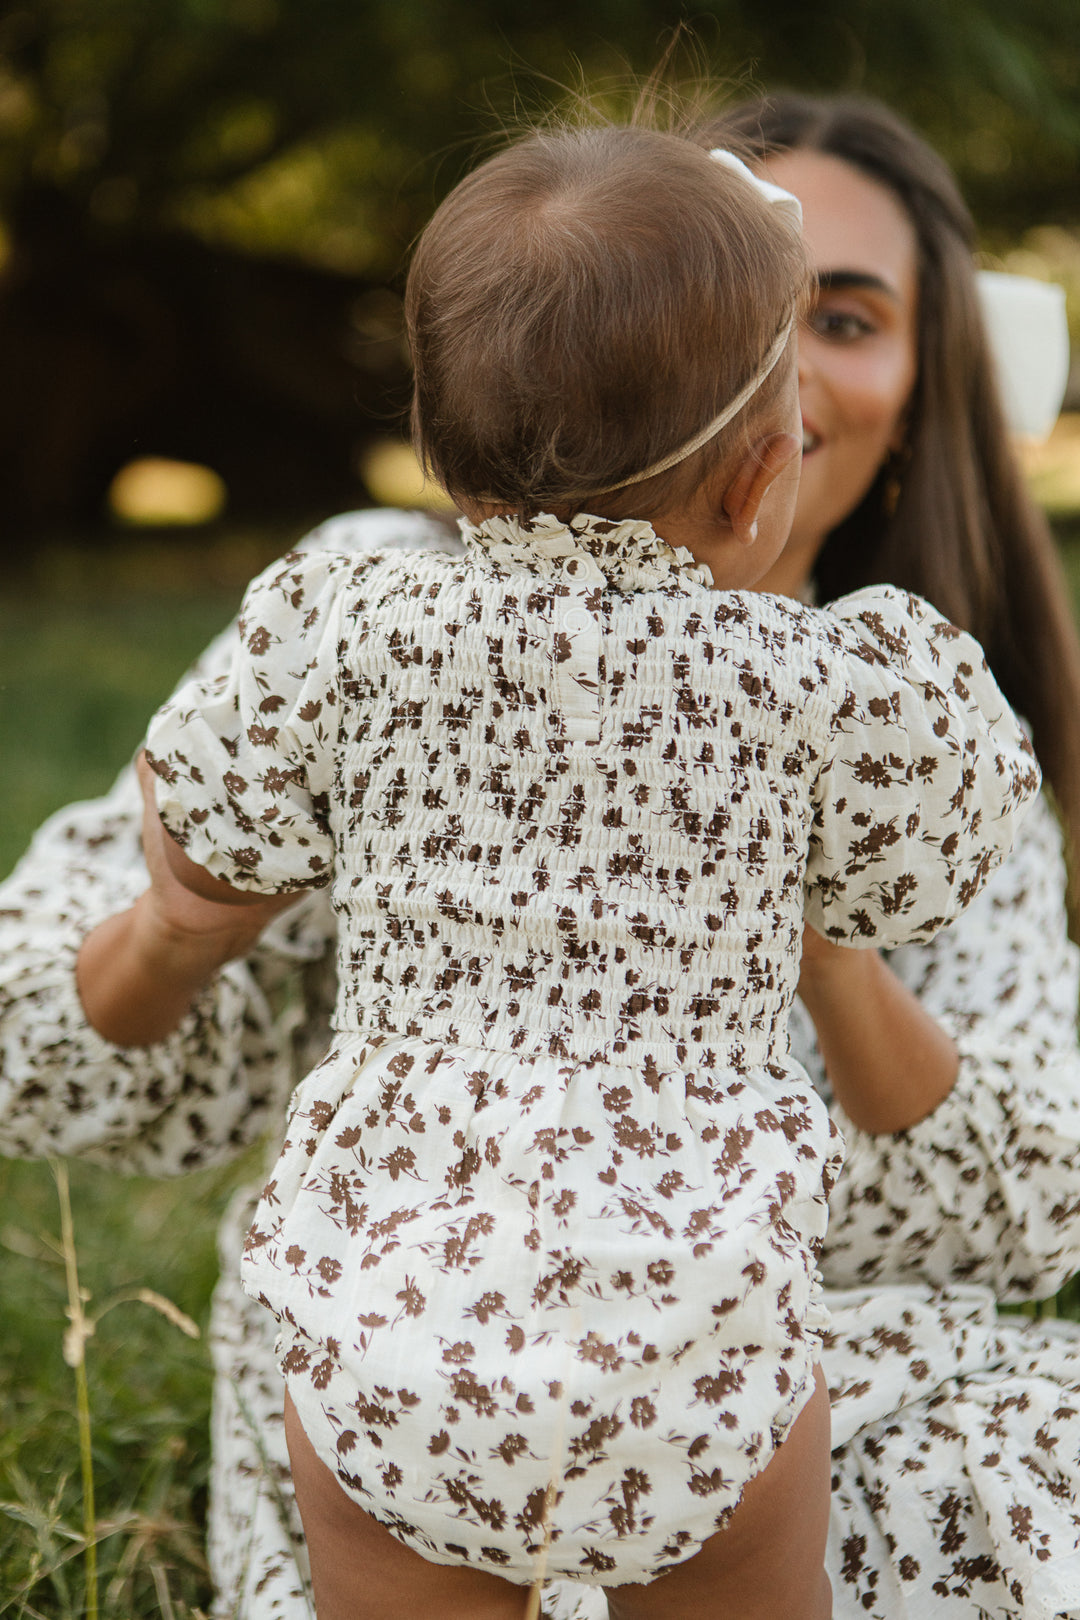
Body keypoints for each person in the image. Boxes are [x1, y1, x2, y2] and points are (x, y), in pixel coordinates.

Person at [1, 92, 1079, 1620]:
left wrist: (817, 945)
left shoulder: (346, 637)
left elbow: (1036, 1200)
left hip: (394, 1330)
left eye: (844, 314)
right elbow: (44, 1025)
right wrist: (173, 931)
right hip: (721, 1334)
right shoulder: (867, 704)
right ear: (765, 460)